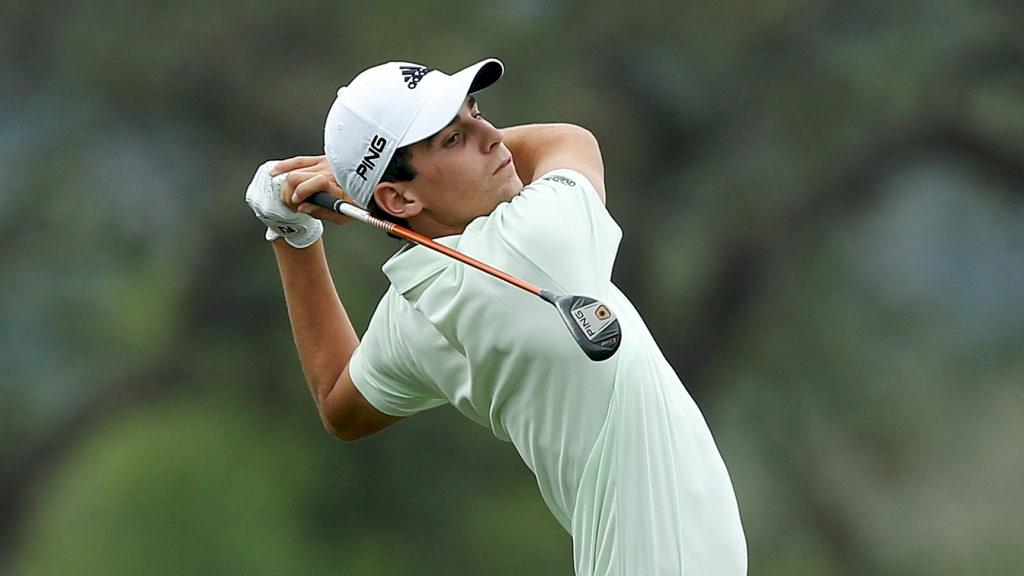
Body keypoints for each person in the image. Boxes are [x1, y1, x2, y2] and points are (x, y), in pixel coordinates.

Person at [245, 58, 747, 575]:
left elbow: (340, 403)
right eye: (453, 139)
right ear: (398, 198)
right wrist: (347, 177)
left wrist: (292, 234)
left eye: (476, 113)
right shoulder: (536, 237)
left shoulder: (412, 311)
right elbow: (571, 140)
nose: (492, 137)